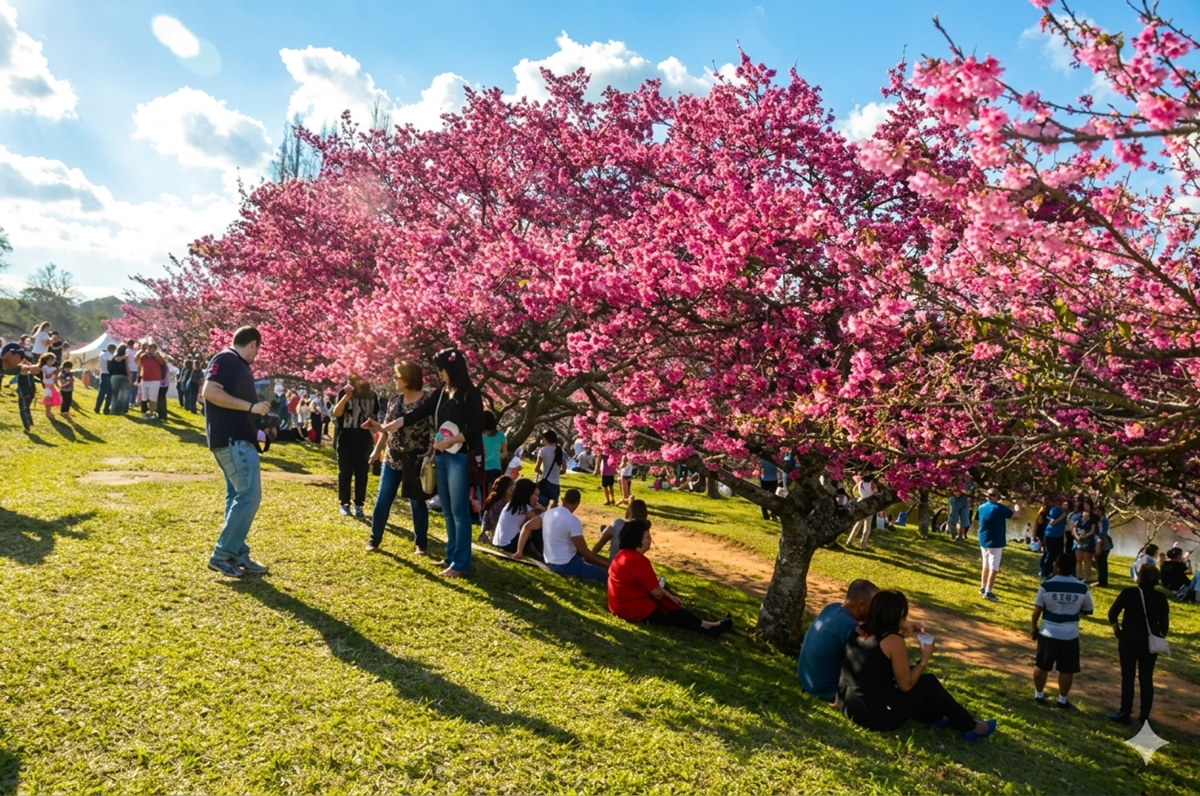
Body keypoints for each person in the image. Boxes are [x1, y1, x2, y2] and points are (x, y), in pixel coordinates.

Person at [367, 347, 483, 578]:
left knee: (459, 512)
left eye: (441, 369)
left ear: (451, 368)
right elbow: (415, 414)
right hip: (441, 456)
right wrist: (384, 427)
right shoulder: (442, 392)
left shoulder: (470, 393)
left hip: (458, 457)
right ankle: (451, 557)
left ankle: (461, 564)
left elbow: (476, 428)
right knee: (448, 511)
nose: (439, 373)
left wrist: (450, 442)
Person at [837, 590, 996, 740]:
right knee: (927, 683)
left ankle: (937, 717)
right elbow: (905, 685)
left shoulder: (859, 630)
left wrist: (905, 627)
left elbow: (880, 666)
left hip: (847, 705)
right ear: (896, 617)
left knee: (913, 675)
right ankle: (972, 727)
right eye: (903, 617)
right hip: (874, 717)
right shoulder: (893, 641)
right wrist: (925, 658)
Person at [201, 327, 272, 577]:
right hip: (232, 440)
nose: (257, 355)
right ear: (253, 344)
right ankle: (221, 555)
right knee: (249, 495)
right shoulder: (227, 359)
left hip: (238, 439)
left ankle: (237, 553)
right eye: (258, 349)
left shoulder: (235, 363)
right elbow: (209, 392)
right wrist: (251, 406)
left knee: (237, 498)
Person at [607, 519, 732, 637]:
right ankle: (709, 628)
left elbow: (651, 586)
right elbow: (656, 593)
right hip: (635, 611)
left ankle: (710, 625)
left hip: (618, 607)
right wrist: (669, 598)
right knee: (675, 613)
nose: (650, 540)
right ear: (637, 540)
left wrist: (668, 595)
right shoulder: (638, 561)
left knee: (674, 608)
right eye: (647, 537)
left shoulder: (622, 555)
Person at [366, 361, 433, 554]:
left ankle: (421, 543)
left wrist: (431, 452)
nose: (394, 379)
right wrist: (377, 451)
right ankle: (374, 539)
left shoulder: (427, 400)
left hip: (416, 460)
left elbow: (433, 430)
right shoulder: (395, 401)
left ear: (408, 378)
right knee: (383, 499)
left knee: (417, 502)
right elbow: (385, 430)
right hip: (392, 458)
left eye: (397, 376)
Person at [1107, 564, 1170, 725]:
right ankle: (1144, 714)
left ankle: (1125, 711)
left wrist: (1117, 629)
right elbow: (1164, 623)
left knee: (1128, 677)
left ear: (1139, 576)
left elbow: (1113, 612)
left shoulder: (1129, 593)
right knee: (1146, 678)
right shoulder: (1161, 597)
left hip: (1128, 639)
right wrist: (1159, 635)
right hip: (1149, 643)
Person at [1030, 552, 1094, 711]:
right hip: (1070, 634)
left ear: (1056, 567)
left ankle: (1039, 695)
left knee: (1042, 665)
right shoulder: (1082, 587)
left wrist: (1033, 627)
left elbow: (1037, 610)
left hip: (1048, 633)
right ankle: (1063, 700)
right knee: (1067, 669)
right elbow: (1089, 609)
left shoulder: (1046, 586)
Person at [799, 579, 879, 701]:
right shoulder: (850, 627)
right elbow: (867, 662)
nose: (876, 611)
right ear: (861, 605)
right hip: (827, 691)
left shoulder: (832, 608)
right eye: (874, 606)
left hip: (807, 682)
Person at [514, 488, 608, 582]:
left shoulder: (548, 514)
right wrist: (608, 565)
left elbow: (526, 527)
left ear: (563, 500)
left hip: (549, 561)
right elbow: (585, 553)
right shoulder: (573, 521)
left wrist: (519, 551)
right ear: (577, 503)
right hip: (566, 565)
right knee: (607, 574)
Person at [332, 375, 380, 517]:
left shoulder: (372, 395)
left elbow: (375, 415)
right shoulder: (343, 392)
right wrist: (347, 397)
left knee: (362, 472)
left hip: (364, 436)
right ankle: (344, 503)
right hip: (346, 435)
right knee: (345, 471)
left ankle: (359, 504)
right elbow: (337, 413)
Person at [976, 488, 1013, 602]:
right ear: (997, 497)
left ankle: (983, 587)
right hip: (995, 541)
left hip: (983, 539)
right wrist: (1016, 505)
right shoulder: (999, 508)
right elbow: (1015, 515)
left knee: (985, 565)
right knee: (994, 567)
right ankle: (988, 591)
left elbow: (978, 519)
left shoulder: (981, 507)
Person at [494, 478, 545, 557]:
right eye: (534, 495)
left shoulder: (512, 505)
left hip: (500, 542)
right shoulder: (524, 507)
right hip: (509, 544)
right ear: (527, 494)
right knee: (536, 527)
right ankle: (543, 551)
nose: (536, 499)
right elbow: (541, 522)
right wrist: (542, 509)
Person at [1, 342, 37, 432]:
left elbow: (26, 370)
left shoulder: (15, 368)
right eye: (19, 358)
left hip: (26, 393)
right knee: (24, 408)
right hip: (23, 393)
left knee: (24, 408)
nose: (20, 361)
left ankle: (28, 424)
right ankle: (28, 424)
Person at [534, 430, 565, 508]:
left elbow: (536, 468)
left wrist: (543, 473)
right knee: (554, 506)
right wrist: (556, 473)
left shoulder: (543, 450)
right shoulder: (561, 451)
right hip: (556, 483)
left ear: (546, 439)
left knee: (541, 506)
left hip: (545, 481)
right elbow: (564, 470)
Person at [845, 474, 877, 551]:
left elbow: (853, 489)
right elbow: (876, 490)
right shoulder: (872, 484)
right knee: (867, 526)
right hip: (869, 504)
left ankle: (849, 541)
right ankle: (863, 544)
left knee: (857, 524)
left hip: (860, 503)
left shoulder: (860, 483)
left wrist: (857, 496)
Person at [479, 475, 513, 544]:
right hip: (492, 532)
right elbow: (496, 523)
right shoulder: (497, 504)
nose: (512, 489)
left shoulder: (507, 501)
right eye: (510, 486)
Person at [481, 411, 507, 492]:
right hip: (495, 467)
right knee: (494, 492)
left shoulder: (480, 435)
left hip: (482, 467)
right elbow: (505, 453)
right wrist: (496, 457)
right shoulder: (501, 435)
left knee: (483, 492)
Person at [1041, 502, 1068, 578]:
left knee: (1059, 555)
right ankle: (1045, 572)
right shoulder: (1055, 510)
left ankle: (1056, 572)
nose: (1065, 506)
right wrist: (1062, 517)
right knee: (1050, 554)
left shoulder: (1064, 512)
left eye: (1067, 505)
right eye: (1064, 504)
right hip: (1051, 535)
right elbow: (1052, 523)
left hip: (1059, 536)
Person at [1072, 507, 1099, 584]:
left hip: (1088, 542)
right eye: (1084, 515)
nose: (1085, 516)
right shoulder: (1078, 521)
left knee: (1087, 560)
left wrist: (1085, 536)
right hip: (1078, 542)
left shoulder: (1092, 522)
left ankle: (1086, 578)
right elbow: (1074, 529)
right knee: (1078, 560)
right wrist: (1077, 537)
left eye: (1087, 515)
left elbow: (1092, 531)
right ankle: (1077, 577)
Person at [109, 342, 130, 415]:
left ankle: (114, 409)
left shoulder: (114, 356)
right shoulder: (124, 358)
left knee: (115, 394)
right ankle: (122, 409)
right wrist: (129, 376)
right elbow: (127, 367)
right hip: (123, 375)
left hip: (114, 376)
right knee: (123, 394)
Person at [94, 343, 115, 414]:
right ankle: (105, 409)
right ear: (112, 350)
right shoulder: (107, 355)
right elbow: (110, 361)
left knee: (102, 392)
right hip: (107, 374)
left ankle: (97, 407)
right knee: (108, 392)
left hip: (103, 373)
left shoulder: (102, 354)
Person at [1095, 505, 1113, 587]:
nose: (1097, 512)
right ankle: (1100, 580)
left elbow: (1103, 532)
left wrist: (1096, 537)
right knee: (1099, 562)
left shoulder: (1104, 520)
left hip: (1104, 544)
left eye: (1098, 510)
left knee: (1102, 562)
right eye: (1096, 510)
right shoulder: (1099, 520)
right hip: (1100, 543)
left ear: (1102, 511)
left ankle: (1102, 582)